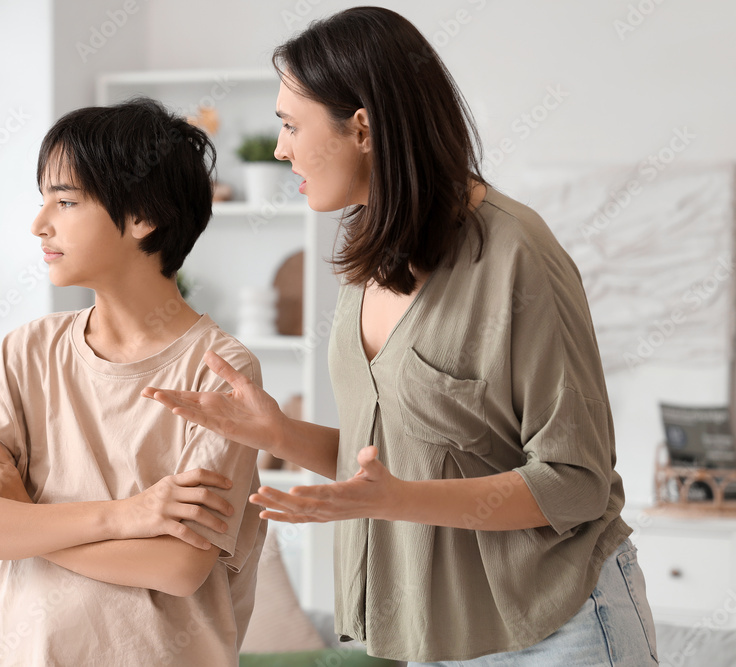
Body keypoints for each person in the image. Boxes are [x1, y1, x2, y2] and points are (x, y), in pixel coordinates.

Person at [142, 7, 658, 666]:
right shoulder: (369, 255)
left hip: (554, 624)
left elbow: (575, 481)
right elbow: (393, 464)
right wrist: (277, 433)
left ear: (362, 127)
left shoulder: (515, 253)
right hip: (435, 633)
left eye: (291, 125)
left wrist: (402, 499)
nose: (279, 149)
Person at [0, 97, 267, 666]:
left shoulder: (221, 371)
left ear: (141, 217)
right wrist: (127, 516)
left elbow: (176, 567)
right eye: (43, 200)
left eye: (65, 201)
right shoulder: (26, 351)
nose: (40, 223)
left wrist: (23, 512)